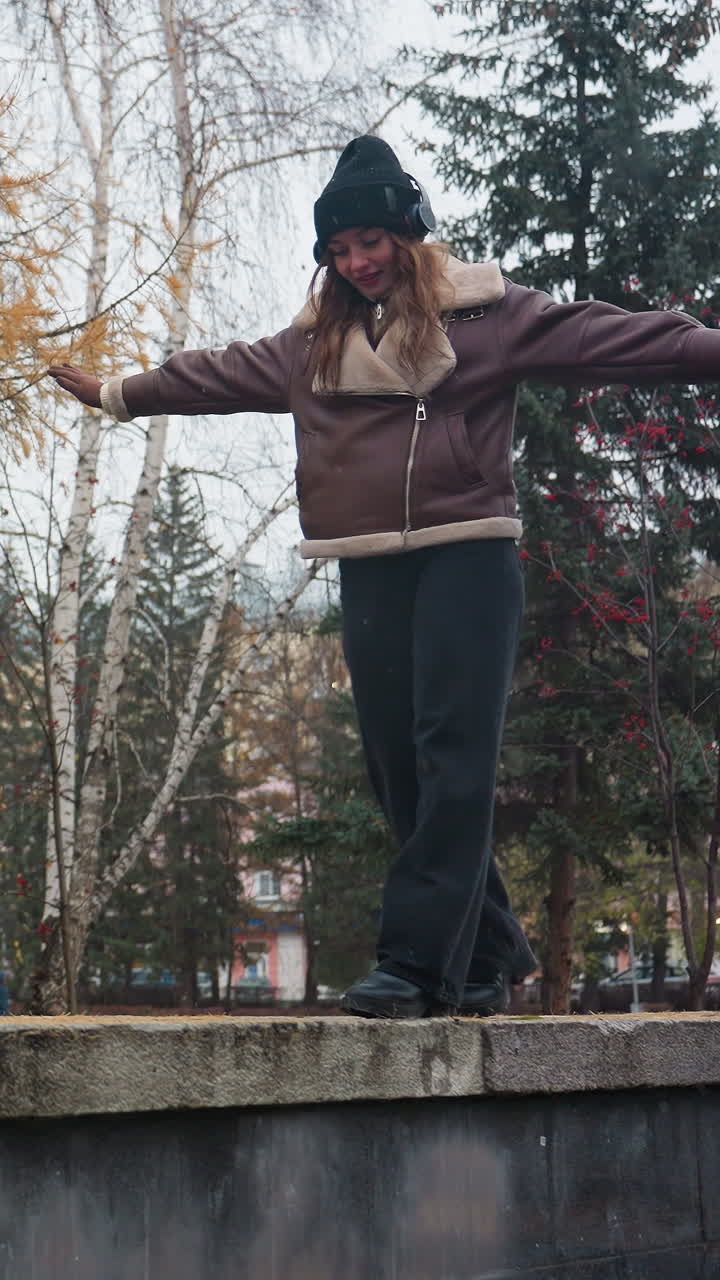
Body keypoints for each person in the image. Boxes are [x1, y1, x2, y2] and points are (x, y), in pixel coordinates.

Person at [49, 135, 720, 1019]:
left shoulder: (487, 318)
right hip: (368, 566)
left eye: (371, 240)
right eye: (339, 247)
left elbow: (613, 338)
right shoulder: (311, 348)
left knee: (453, 753)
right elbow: (213, 375)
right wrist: (117, 395)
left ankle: (413, 964)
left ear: (408, 234)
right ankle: (486, 953)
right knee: (396, 767)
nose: (358, 261)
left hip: (468, 556)